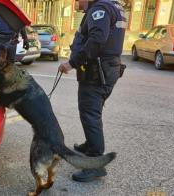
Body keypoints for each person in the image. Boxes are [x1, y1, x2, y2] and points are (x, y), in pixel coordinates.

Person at [58, 0, 127, 182]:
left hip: (98, 72)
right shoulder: (113, 5)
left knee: (90, 114)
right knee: (92, 113)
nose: (76, 1)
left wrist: (72, 63)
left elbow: (97, 40)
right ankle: (91, 144)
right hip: (105, 69)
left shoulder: (100, 9)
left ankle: (96, 164)